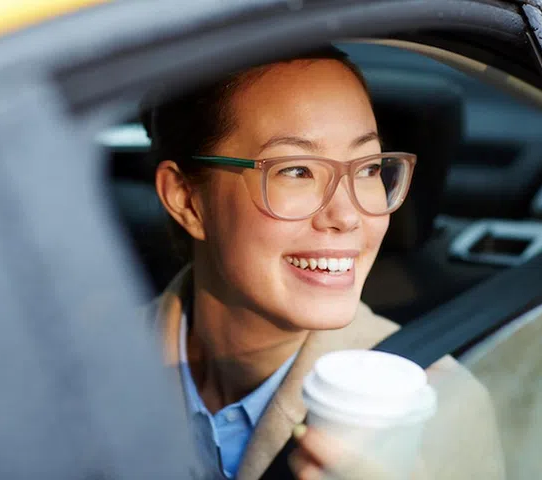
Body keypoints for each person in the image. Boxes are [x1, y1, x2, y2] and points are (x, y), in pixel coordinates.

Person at [140, 46, 504, 480]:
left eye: (368, 168)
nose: (348, 215)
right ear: (187, 200)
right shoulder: (84, 370)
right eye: (296, 170)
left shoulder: (439, 406)